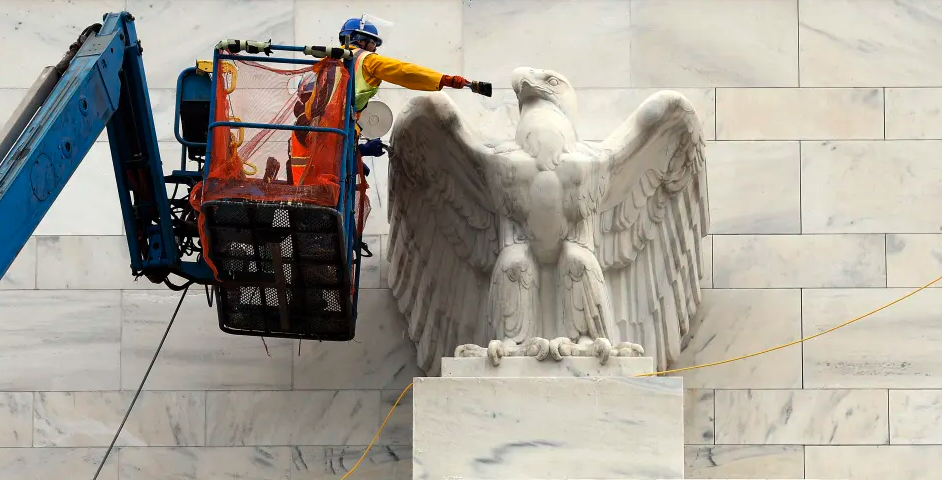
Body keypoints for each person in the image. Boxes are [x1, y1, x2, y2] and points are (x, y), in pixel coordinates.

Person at [288, 17, 471, 182]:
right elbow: (404, 71)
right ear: (360, 40)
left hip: (314, 135)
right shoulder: (365, 60)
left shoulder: (328, 61)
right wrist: (443, 79)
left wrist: (355, 157)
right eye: (373, 42)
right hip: (331, 134)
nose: (375, 48)